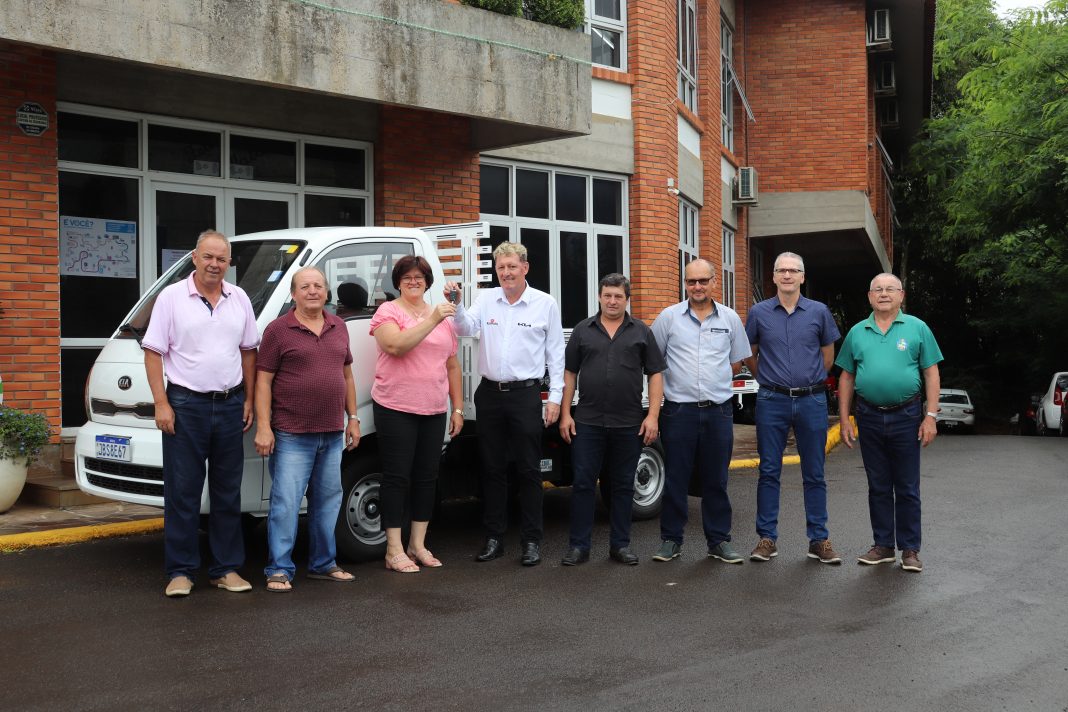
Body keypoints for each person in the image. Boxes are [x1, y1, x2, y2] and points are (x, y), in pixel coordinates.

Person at [142, 230, 259, 598]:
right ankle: (180, 571)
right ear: (194, 257)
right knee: (183, 491)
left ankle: (225, 569)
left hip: (230, 404)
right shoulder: (171, 297)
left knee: (227, 492)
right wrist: (161, 403)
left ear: (229, 263)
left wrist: (249, 399)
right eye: (208, 256)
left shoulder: (239, 298)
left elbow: (249, 352)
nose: (214, 264)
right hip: (185, 406)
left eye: (221, 259)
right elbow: (153, 352)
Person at [445, 242, 564, 567]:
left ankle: (531, 541)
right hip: (490, 395)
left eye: (512, 266)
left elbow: (556, 354)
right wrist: (457, 305)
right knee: (492, 468)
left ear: (525, 268)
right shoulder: (486, 299)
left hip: (526, 395)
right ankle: (494, 538)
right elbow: (464, 329)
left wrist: (555, 397)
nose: (507, 273)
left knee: (529, 469)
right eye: (501, 267)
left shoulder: (545, 303)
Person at [254, 266, 361, 592]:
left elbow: (346, 376)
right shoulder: (278, 330)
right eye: (305, 287)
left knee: (327, 502)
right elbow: (263, 381)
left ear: (326, 292)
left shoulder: (339, 326)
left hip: (331, 432)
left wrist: (353, 418)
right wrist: (263, 426)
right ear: (293, 294)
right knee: (286, 504)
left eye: (318, 286)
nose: (312, 291)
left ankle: (323, 564)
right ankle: (279, 569)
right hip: (291, 433)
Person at [836, 273, 943, 573]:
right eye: (878, 289)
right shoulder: (857, 332)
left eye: (890, 289)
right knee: (878, 485)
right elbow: (847, 376)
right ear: (870, 297)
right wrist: (844, 420)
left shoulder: (917, 328)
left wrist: (931, 416)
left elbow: (931, 373)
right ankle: (883, 546)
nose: (884, 294)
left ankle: (910, 549)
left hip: (906, 415)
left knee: (907, 486)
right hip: (868, 416)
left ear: (901, 295)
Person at [558, 274, 666, 566]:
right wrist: (566, 413)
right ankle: (579, 547)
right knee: (583, 484)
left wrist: (652, 416)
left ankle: (620, 545)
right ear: (599, 296)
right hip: (588, 421)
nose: (612, 301)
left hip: (629, 422)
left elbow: (655, 374)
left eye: (618, 296)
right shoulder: (583, 330)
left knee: (623, 485)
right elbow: (569, 373)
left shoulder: (641, 331)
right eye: (607, 295)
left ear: (627, 299)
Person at [650, 259, 751, 564]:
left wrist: (713, 382)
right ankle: (671, 540)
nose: (697, 287)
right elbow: (654, 361)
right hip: (678, 412)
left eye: (702, 281)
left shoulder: (730, 319)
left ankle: (719, 541)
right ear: (685, 284)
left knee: (716, 480)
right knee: (676, 479)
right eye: (691, 281)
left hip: (718, 412)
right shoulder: (668, 318)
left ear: (714, 282)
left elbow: (737, 362)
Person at [744, 252, 842, 564]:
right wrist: (767, 379)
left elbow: (828, 356)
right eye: (781, 270)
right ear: (773, 277)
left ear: (802, 276)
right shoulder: (758, 312)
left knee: (814, 472)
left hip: (811, 400)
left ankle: (819, 540)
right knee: (769, 471)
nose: (787, 275)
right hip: (772, 400)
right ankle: (766, 539)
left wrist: (808, 380)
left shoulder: (819, 312)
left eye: (793, 270)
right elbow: (750, 353)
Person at [370, 255, 463, 573]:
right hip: (395, 407)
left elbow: (452, 365)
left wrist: (457, 407)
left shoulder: (443, 318)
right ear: (398, 282)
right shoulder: (388, 311)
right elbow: (395, 346)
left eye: (419, 277)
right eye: (407, 277)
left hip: (434, 408)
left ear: (427, 282)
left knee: (427, 478)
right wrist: (433, 319)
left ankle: (417, 545)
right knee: (397, 477)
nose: (413, 281)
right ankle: (393, 549)